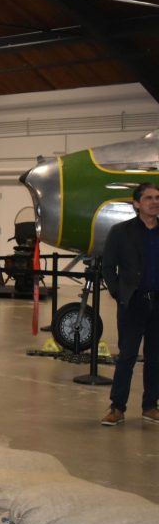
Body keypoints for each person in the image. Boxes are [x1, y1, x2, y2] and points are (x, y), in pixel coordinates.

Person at [100, 182, 159, 427]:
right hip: (133, 303)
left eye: (157, 198)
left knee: (155, 358)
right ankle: (117, 408)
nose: (155, 202)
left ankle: (150, 406)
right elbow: (107, 266)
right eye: (149, 198)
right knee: (127, 357)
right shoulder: (121, 232)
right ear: (136, 204)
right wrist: (119, 293)